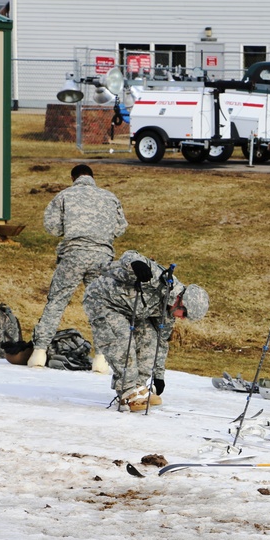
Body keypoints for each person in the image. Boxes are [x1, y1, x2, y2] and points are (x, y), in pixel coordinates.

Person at [29, 164, 128, 371]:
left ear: (73, 177)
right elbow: (120, 228)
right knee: (101, 307)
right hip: (103, 258)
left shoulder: (65, 196)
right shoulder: (110, 197)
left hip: (73, 255)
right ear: (92, 176)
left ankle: (39, 352)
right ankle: (101, 358)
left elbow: (52, 227)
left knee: (57, 301)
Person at [83, 250, 209, 412]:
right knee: (121, 338)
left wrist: (159, 376)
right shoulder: (159, 279)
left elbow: (161, 342)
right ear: (181, 301)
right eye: (184, 314)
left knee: (150, 339)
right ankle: (127, 390)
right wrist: (136, 265)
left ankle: (137, 386)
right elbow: (130, 255)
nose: (183, 318)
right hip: (102, 301)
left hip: (130, 310)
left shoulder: (167, 311)